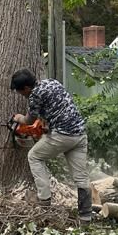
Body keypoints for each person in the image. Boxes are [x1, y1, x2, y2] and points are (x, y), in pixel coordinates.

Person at [10, 69, 92, 224]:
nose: (21, 94)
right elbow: (58, 109)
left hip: (63, 135)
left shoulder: (34, 95)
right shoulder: (52, 82)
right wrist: (47, 126)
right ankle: (86, 218)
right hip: (80, 134)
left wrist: (17, 118)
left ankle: (44, 201)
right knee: (81, 177)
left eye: (21, 91)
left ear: (26, 88)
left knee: (34, 156)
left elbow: (28, 120)